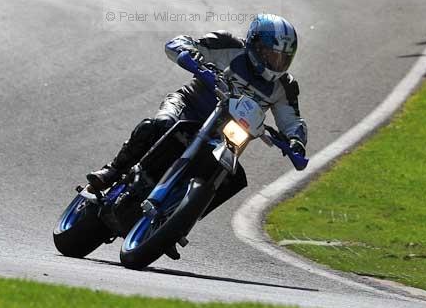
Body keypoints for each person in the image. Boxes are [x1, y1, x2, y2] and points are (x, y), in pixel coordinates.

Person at [88, 14, 308, 213]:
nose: (277, 63)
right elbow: (179, 44)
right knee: (160, 124)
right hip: (189, 106)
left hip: (226, 136)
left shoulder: (284, 86)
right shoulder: (227, 44)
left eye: (283, 58)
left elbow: (292, 120)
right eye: (272, 55)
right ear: (256, 45)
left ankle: (179, 220)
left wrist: (296, 140)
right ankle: (112, 171)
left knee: (232, 178)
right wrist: (192, 56)